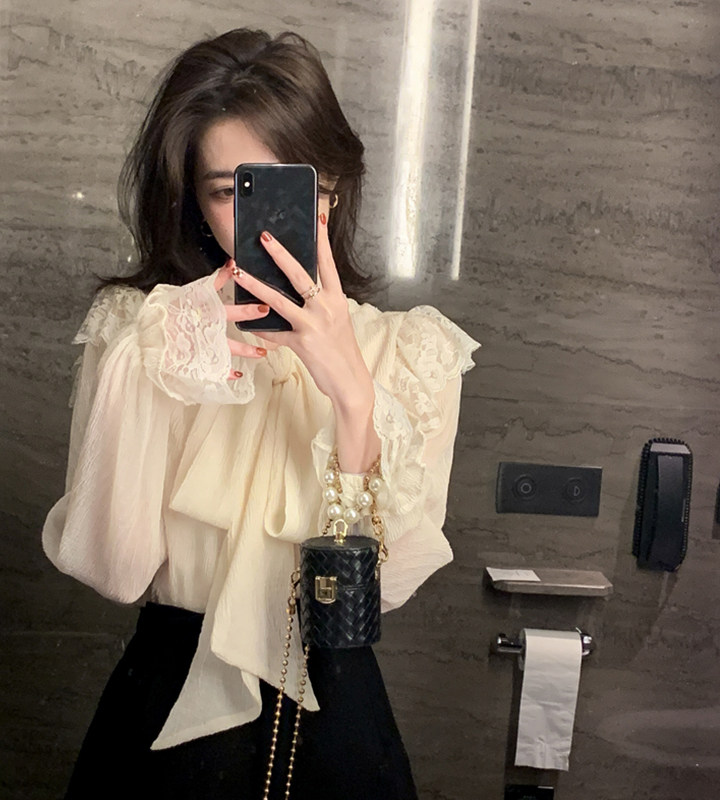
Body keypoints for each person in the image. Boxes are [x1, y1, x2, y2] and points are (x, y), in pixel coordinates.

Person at [42, 27, 479, 800]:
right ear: (193, 201)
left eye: (291, 184)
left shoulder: (411, 354)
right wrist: (164, 358)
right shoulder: (141, 333)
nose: (264, 220)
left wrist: (353, 397)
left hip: (336, 714)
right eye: (228, 191)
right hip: (166, 708)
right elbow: (115, 567)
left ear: (333, 185)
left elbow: (385, 587)